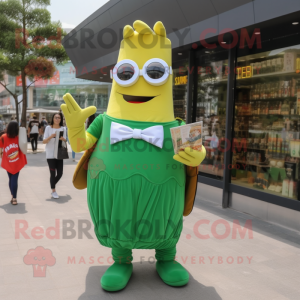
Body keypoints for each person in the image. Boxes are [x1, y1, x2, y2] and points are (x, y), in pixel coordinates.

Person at [0, 121, 27, 205]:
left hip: (8, 161)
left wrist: (1, 154)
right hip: (17, 161)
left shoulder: (3, 137)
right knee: (14, 178)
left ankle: (13, 197)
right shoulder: (19, 137)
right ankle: (14, 198)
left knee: (11, 178)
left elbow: (0, 147)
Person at [43, 113, 67, 199]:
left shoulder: (63, 128)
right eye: (56, 117)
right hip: (50, 155)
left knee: (60, 174)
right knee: (52, 173)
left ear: (61, 119)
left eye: (59, 118)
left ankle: (52, 184)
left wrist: (63, 139)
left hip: (59, 154)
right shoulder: (48, 128)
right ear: (53, 118)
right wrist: (51, 136)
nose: (57, 119)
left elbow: (65, 141)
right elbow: (44, 141)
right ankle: (53, 190)